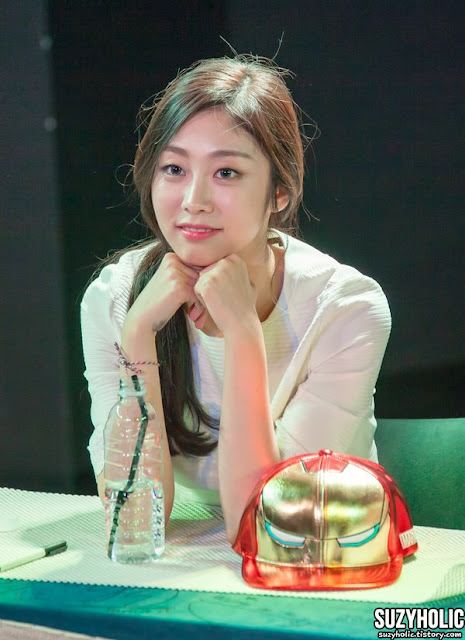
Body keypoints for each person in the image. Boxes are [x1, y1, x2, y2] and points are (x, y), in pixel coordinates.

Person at [81, 55, 391, 543]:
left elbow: (265, 528)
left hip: (321, 550)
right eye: (174, 168)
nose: (194, 200)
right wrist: (137, 336)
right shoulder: (114, 299)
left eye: (226, 172)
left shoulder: (345, 309)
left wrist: (244, 333)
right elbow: (137, 521)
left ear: (280, 192)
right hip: (187, 552)